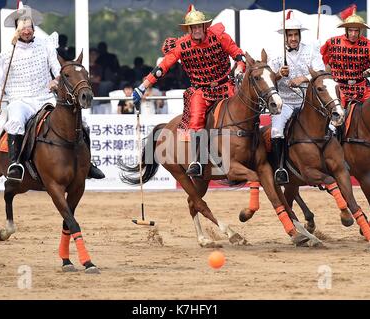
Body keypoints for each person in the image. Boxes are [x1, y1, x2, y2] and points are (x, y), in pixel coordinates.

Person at [0, 3, 104, 182]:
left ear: (34, 29)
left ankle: (88, 165)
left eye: (30, 27)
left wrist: (56, 80)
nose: (27, 31)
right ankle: (15, 164)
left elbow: (58, 69)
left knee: (81, 121)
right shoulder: (7, 54)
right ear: (17, 30)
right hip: (20, 100)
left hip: (45, 97)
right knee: (15, 121)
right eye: (23, 28)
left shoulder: (45, 46)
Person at [133, 4, 245, 176]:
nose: (196, 30)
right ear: (189, 29)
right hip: (201, 90)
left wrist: (239, 69)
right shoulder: (181, 46)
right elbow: (163, 67)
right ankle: (197, 161)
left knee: (245, 110)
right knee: (196, 120)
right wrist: (143, 87)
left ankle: (253, 148)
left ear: (204, 26)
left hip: (226, 86)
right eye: (193, 27)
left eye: (199, 26)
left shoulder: (220, 37)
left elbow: (239, 55)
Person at [267, 10, 325, 185]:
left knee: (333, 122)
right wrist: (278, 74)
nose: (293, 38)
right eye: (290, 34)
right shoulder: (274, 53)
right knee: (276, 130)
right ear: (284, 37)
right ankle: (280, 168)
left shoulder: (311, 49)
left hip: (309, 101)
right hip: (285, 102)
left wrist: (304, 78)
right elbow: (267, 79)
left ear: (300, 35)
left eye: (295, 34)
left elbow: (321, 72)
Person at [320, 6, 370, 108]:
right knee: (332, 116)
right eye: (351, 30)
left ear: (361, 31)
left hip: (362, 89)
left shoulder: (368, 44)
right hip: (338, 88)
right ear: (346, 30)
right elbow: (325, 63)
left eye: (356, 31)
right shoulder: (332, 42)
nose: (353, 34)